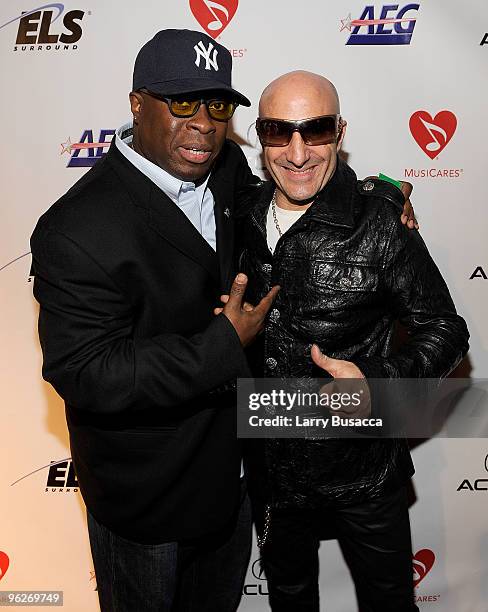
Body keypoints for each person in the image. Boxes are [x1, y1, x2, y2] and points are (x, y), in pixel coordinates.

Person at [30, 29, 279, 612]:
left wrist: (375, 201)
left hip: (230, 477)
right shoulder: (76, 228)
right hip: (146, 499)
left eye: (217, 105)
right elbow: (85, 372)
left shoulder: (224, 170)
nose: (204, 123)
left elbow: (272, 212)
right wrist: (222, 346)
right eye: (183, 102)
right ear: (138, 104)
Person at [230, 71, 470, 611]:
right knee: (289, 599)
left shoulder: (380, 224)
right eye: (277, 131)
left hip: (364, 469)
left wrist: (378, 382)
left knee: (387, 601)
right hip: (272, 469)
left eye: (314, 132)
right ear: (260, 135)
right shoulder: (239, 213)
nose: (296, 154)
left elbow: (446, 329)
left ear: (339, 132)